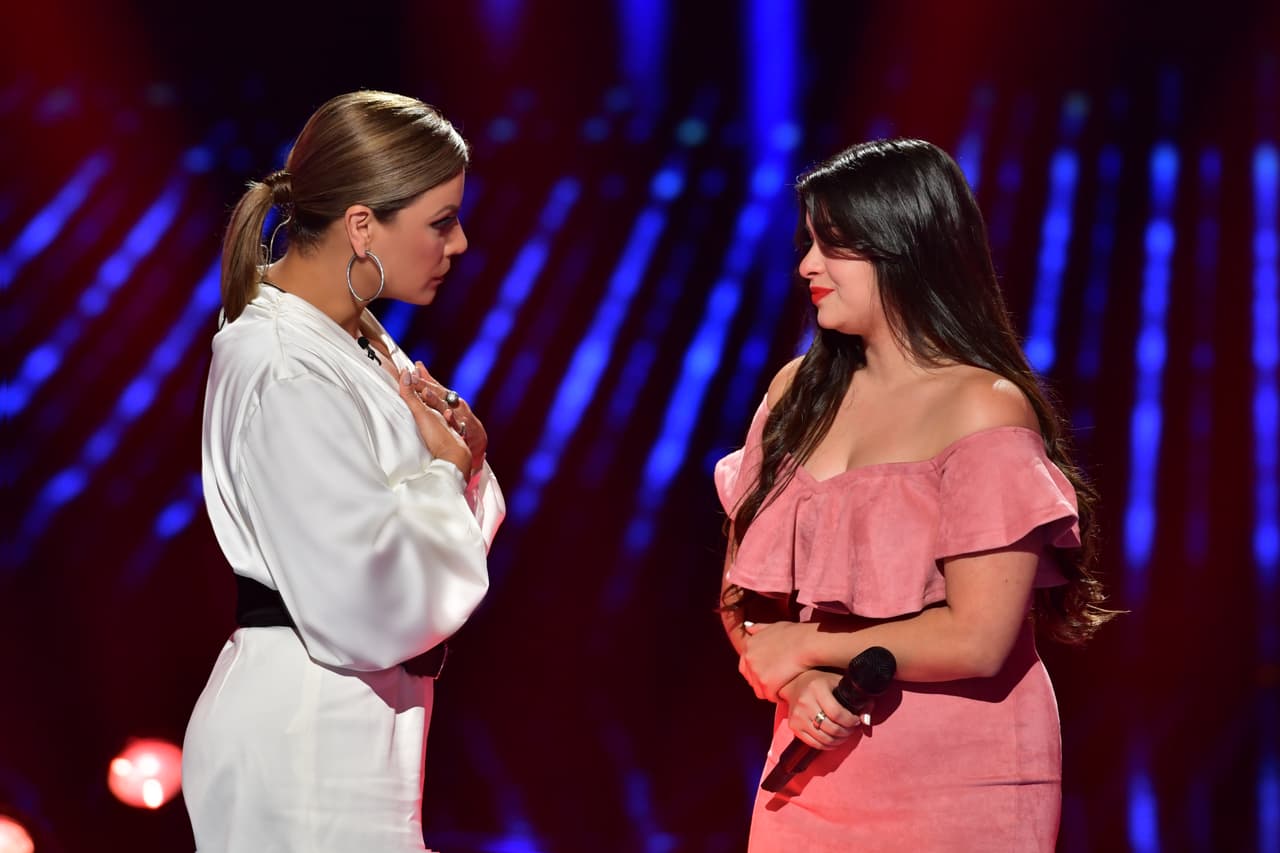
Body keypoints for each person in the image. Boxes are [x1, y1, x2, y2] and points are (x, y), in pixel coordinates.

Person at [715, 138, 1114, 851]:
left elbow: (978, 637)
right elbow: (746, 597)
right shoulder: (794, 393)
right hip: (809, 769)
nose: (808, 266)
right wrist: (796, 683)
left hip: (961, 777)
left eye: (834, 247)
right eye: (810, 243)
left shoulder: (982, 407)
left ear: (903, 247)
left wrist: (805, 645)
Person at [183, 91, 504, 852]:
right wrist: (442, 470)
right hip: (302, 740)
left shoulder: (351, 338)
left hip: (352, 730)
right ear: (363, 224)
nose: (458, 243)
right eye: (440, 221)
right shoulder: (285, 365)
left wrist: (464, 461)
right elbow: (366, 592)